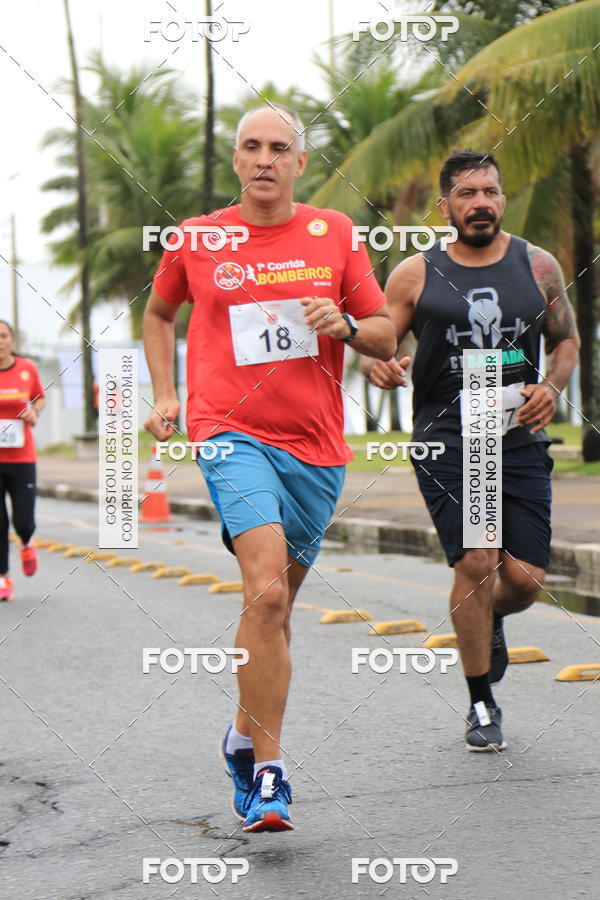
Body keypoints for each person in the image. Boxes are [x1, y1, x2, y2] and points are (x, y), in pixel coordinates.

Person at [143, 104, 396, 830]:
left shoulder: (333, 234)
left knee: (273, 610)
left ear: (299, 162)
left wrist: (345, 326)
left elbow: (379, 330)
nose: (264, 159)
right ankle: (270, 774)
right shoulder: (197, 237)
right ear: (235, 160)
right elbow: (160, 315)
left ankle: (239, 737)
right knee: (268, 594)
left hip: (315, 446)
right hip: (229, 431)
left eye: (278, 148)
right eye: (251, 147)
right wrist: (168, 394)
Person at [362, 149, 579, 751]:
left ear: (502, 198)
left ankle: (492, 619)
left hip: (519, 436)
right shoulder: (415, 272)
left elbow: (566, 341)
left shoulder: (536, 266)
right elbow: (382, 338)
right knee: (479, 561)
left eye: (489, 191)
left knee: (526, 580)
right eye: (466, 193)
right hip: (450, 438)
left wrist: (552, 388)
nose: (480, 202)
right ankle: (482, 701)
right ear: (445, 206)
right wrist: (382, 364)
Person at [0, 320, 45, 602]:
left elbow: (39, 399)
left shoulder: (27, 369)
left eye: (3, 336)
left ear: (12, 341)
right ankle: (3, 578)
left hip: (21, 458)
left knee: (23, 521)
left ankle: (27, 542)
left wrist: (33, 412)